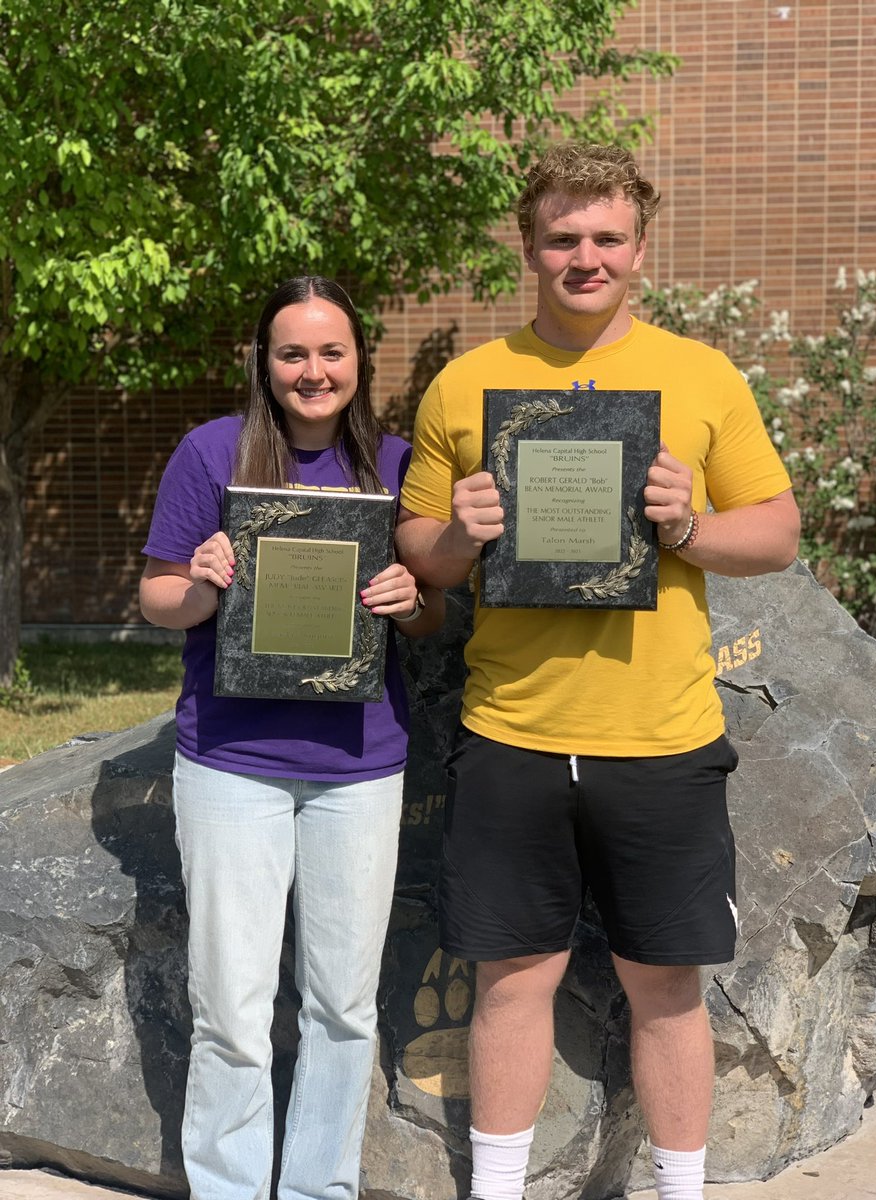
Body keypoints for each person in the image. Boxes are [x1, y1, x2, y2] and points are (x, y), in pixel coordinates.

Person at [395, 143, 800, 1200]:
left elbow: (779, 533)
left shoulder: (701, 375)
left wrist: (691, 526)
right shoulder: (469, 383)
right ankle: (496, 1189)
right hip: (512, 731)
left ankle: (681, 1189)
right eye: (563, 237)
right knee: (511, 979)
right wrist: (460, 537)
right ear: (528, 248)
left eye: (606, 237)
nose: (586, 256)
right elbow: (418, 550)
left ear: (639, 249)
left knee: (666, 987)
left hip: (659, 735)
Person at [139, 275, 443, 1200]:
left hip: (359, 766)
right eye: (293, 353)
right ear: (264, 364)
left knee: (343, 1008)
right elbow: (159, 601)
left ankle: (320, 1189)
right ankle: (230, 1188)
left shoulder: (394, 466)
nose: (314, 370)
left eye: (332, 351)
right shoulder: (211, 454)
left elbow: (428, 619)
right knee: (230, 1007)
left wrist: (410, 601)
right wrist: (202, 579)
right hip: (233, 762)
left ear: (360, 358)